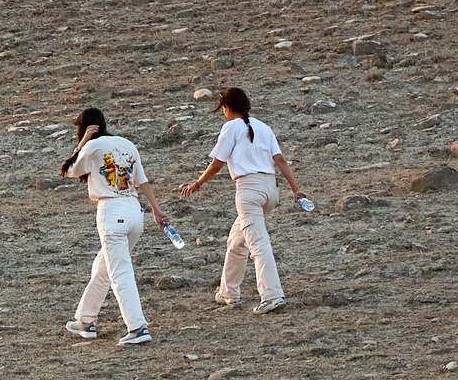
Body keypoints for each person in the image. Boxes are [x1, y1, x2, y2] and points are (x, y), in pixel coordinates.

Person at [180, 87, 311, 315]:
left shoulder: (231, 126)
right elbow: (279, 159)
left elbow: (217, 162)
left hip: (248, 190)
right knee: (237, 241)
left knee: (258, 244)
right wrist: (296, 189)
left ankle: (271, 295)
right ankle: (228, 291)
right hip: (270, 189)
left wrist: (197, 183)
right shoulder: (263, 127)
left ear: (227, 107)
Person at [60, 105, 171, 346]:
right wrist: (156, 209)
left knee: (120, 272)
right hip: (134, 211)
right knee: (104, 267)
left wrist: (82, 144)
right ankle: (85, 320)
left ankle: (137, 327)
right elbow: (142, 180)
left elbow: (69, 170)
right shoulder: (127, 144)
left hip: (112, 211)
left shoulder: (92, 145)